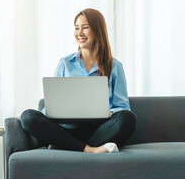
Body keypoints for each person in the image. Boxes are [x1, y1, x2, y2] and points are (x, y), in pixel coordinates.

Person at [21, 8, 137, 153]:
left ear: (97, 30)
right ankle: (91, 150)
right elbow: (54, 102)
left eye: (85, 27)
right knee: (28, 117)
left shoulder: (114, 67)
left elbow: (122, 107)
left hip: (99, 130)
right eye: (76, 28)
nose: (79, 33)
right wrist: (48, 113)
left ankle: (67, 146)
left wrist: (109, 113)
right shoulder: (65, 63)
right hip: (66, 130)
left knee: (128, 119)